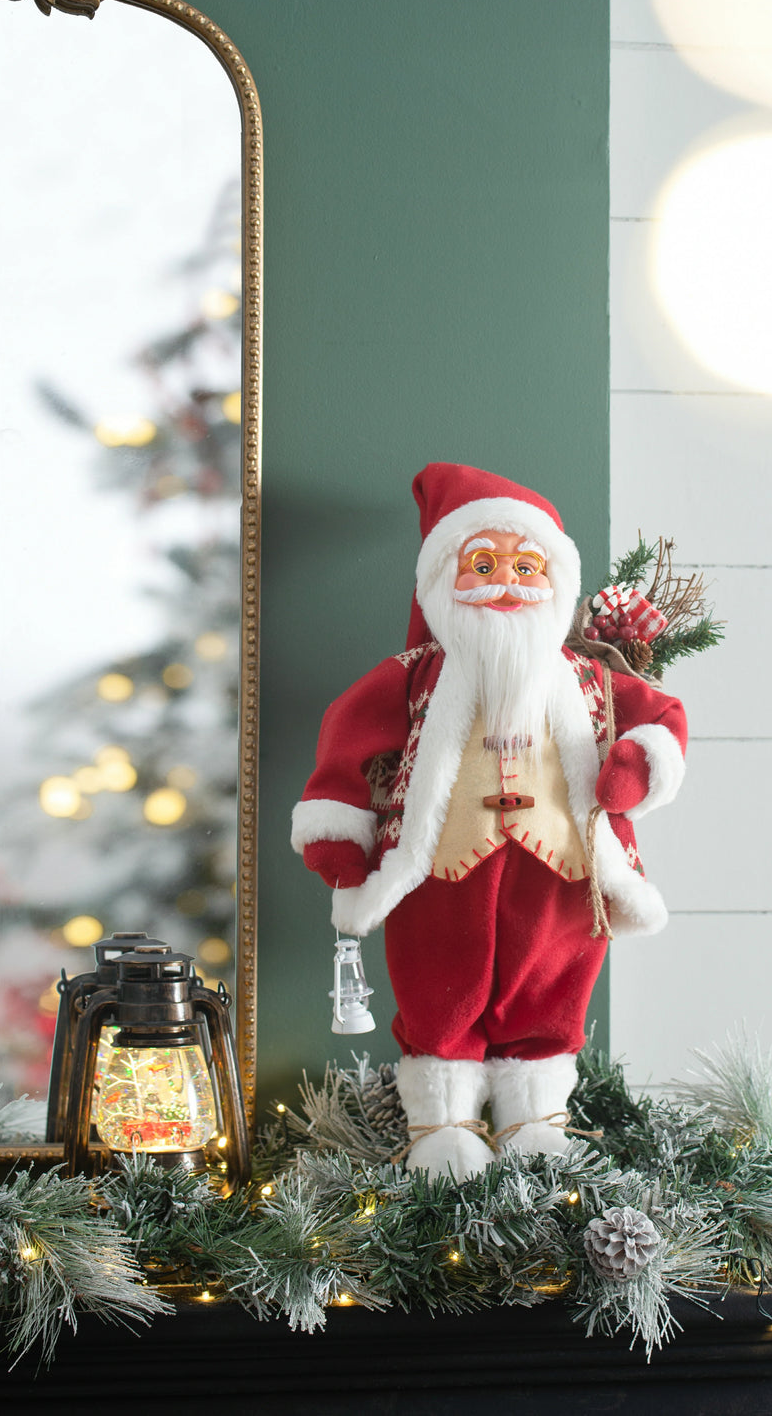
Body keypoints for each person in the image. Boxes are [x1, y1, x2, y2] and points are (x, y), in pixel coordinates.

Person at [292, 463, 687, 1179]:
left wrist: (637, 765)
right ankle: (442, 1123)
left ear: (555, 582)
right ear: (445, 578)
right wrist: (337, 838)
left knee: (553, 987)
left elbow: (662, 718)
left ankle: (535, 1118)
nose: (507, 581)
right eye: (483, 564)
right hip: (440, 875)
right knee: (439, 989)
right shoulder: (413, 675)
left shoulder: (588, 677)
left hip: (563, 876)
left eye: (526, 565)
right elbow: (347, 735)